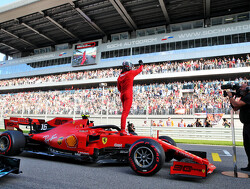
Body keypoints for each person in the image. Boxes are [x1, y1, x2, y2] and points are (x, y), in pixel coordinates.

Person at [227, 83, 250, 171]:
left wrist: (230, 97)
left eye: (241, 88)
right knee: (247, 145)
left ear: (246, 88)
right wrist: (232, 98)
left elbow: (236, 105)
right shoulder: (244, 97)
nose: (240, 89)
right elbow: (235, 108)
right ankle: (249, 164)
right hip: (246, 125)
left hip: (249, 124)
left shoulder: (248, 96)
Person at [117, 60, 143, 135]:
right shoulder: (130, 73)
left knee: (124, 112)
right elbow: (140, 70)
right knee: (125, 113)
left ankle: (123, 128)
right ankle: (122, 129)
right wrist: (141, 65)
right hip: (128, 94)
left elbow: (119, 88)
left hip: (122, 94)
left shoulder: (119, 76)